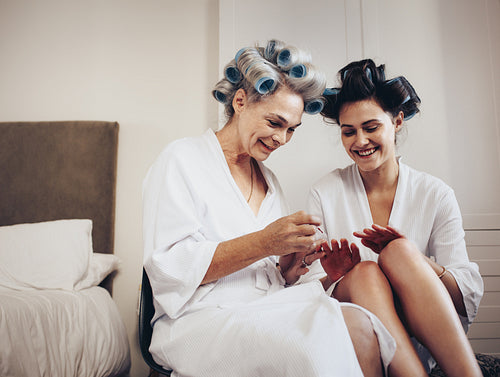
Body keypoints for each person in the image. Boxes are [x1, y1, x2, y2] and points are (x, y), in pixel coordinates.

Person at [142, 41, 397, 377]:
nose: (282, 139)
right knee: (323, 336)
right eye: (275, 123)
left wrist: (292, 268)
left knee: (361, 324)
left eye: (292, 129)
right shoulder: (182, 160)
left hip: (264, 309)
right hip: (198, 320)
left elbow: (272, 277)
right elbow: (168, 268)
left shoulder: (270, 182)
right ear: (240, 101)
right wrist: (265, 242)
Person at [305, 59, 484, 376]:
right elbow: (306, 295)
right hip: (354, 338)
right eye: (349, 132)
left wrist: (419, 260)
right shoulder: (324, 192)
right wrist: (336, 276)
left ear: (397, 121)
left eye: (371, 127)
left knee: (399, 252)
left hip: (420, 340)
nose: (360, 141)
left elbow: (463, 296)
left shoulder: (435, 194)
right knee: (364, 274)